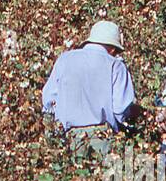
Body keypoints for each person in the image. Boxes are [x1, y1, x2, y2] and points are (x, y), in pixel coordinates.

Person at [41, 20, 140, 157]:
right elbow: (120, 110)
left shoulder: (64, 60)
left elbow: (48, 101)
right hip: (101, 139)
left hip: (67, 139)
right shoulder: (115, 65)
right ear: (112, 48)